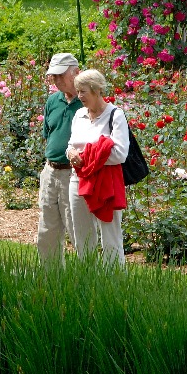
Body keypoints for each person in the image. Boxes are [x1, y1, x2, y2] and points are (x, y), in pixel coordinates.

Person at [66, 69, 129, 266]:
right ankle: (88, 278)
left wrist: (84, 157)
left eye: (83, 91)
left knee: (111, 236)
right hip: (79, 180)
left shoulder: (115, 115)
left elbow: (119, 154)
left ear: (97, 90)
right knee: (82, 235)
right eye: (78, 91)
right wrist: (71, 154)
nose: (79, 96)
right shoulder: (79, 115)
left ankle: (115, 282)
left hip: (106, 181)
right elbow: (71, 144)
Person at [37, 52, 82, 265]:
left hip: (73, 174)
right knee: (47, 231)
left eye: (60, 75)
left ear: (76, 73)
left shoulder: (86, 102)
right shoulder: (53, 101)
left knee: (77, 230)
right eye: (53, 76)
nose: (56, 80)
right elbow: (49, 133)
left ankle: (90, 278)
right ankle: (50, 280)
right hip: (50, 172)